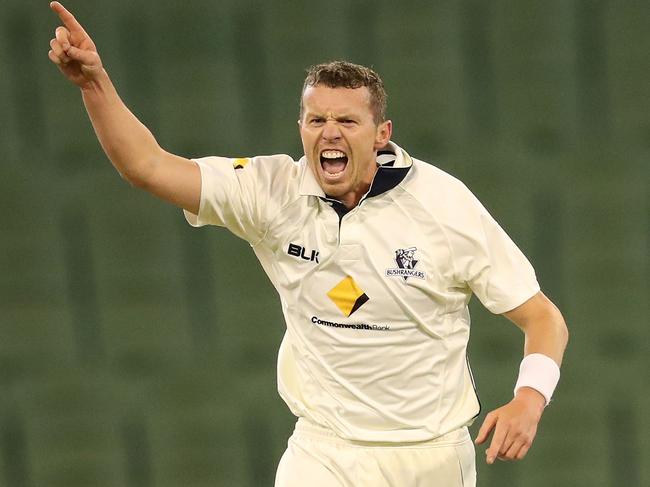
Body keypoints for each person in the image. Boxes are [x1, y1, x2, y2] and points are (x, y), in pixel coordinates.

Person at [48, 2, 569, 485]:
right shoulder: (272, 193)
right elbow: (148, 166)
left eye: (347, 120)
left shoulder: (444, 205)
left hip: (430, 454)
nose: (330, 133)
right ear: (300, 127)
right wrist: (94, 84)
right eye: (317, 120)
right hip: (324, 451)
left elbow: (544, 318)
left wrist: (530, 398)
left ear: (381, 132)